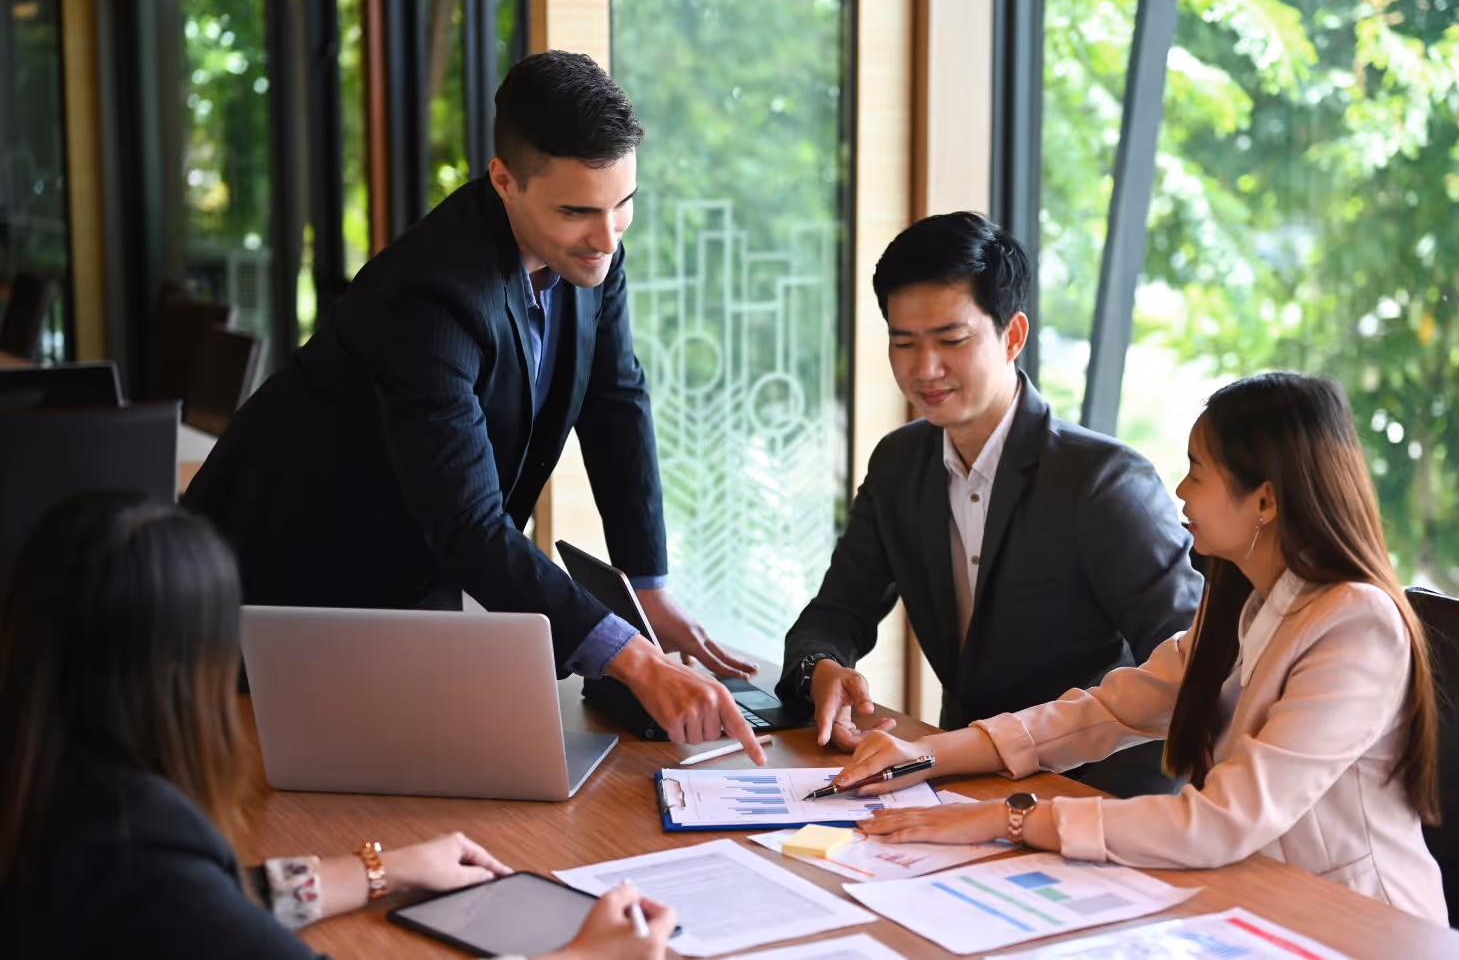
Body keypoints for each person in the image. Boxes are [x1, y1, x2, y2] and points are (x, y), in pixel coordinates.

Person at [184, 50, 762, 761]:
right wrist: (637, 660)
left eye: (624, 203)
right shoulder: (429, 295)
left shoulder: (592, 244)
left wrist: (650, 589)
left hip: (406, 573)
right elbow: (470, 523)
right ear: (503, 180)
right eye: (579, 209)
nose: (609, 238)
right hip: (272, 588)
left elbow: (615, 401)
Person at [831, 372, 1448, 924]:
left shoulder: (1355, 626)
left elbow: (1223, 821)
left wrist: (1010, 819)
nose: (1179, 490)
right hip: (1248, 902)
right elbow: (1106, 710)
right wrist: (926, 755)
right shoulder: (1243, 601)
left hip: (1358, 926)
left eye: (1197, 471)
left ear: (1264, 497)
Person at [0, 493, 677, 958]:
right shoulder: (136, 860)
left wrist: (379, 869)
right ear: (182, 681)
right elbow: (183, 905)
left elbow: (217, 903)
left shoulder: (57, 809)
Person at [777, 212, 1200, 796]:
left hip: (1099, 797)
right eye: (904, 343)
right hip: (960, 784)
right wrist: (819, 668)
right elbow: (833, 615)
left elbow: (1188, 659)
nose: (925, 369)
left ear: (1013, 336)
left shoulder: (1103, 482)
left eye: (952, 341)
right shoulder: (900, 465)